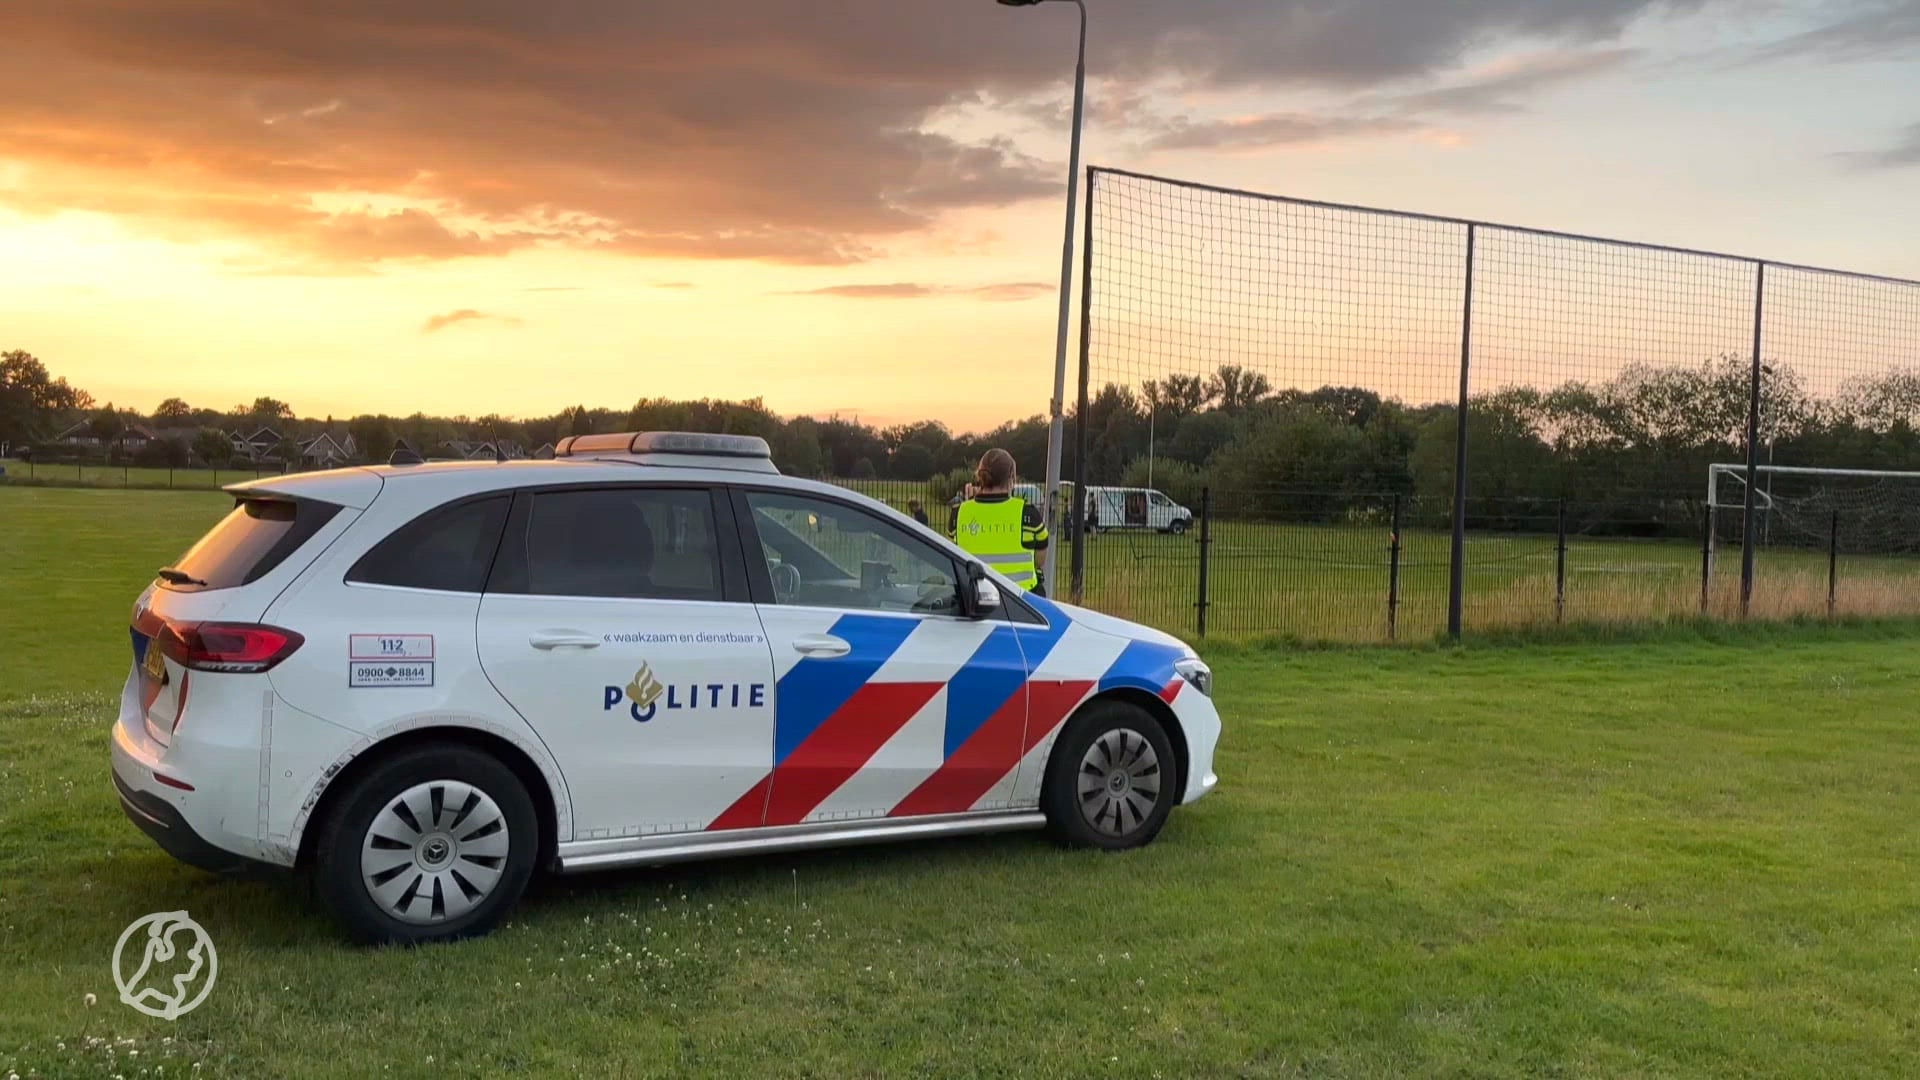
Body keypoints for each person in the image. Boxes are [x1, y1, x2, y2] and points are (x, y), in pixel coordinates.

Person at [950, 448, 1050, 595]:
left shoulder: (958, 513)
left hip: (973, 598)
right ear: (1012, 477)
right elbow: (1040, 561)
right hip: (1020, 600)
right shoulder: (1027, 513)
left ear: (980, 476)